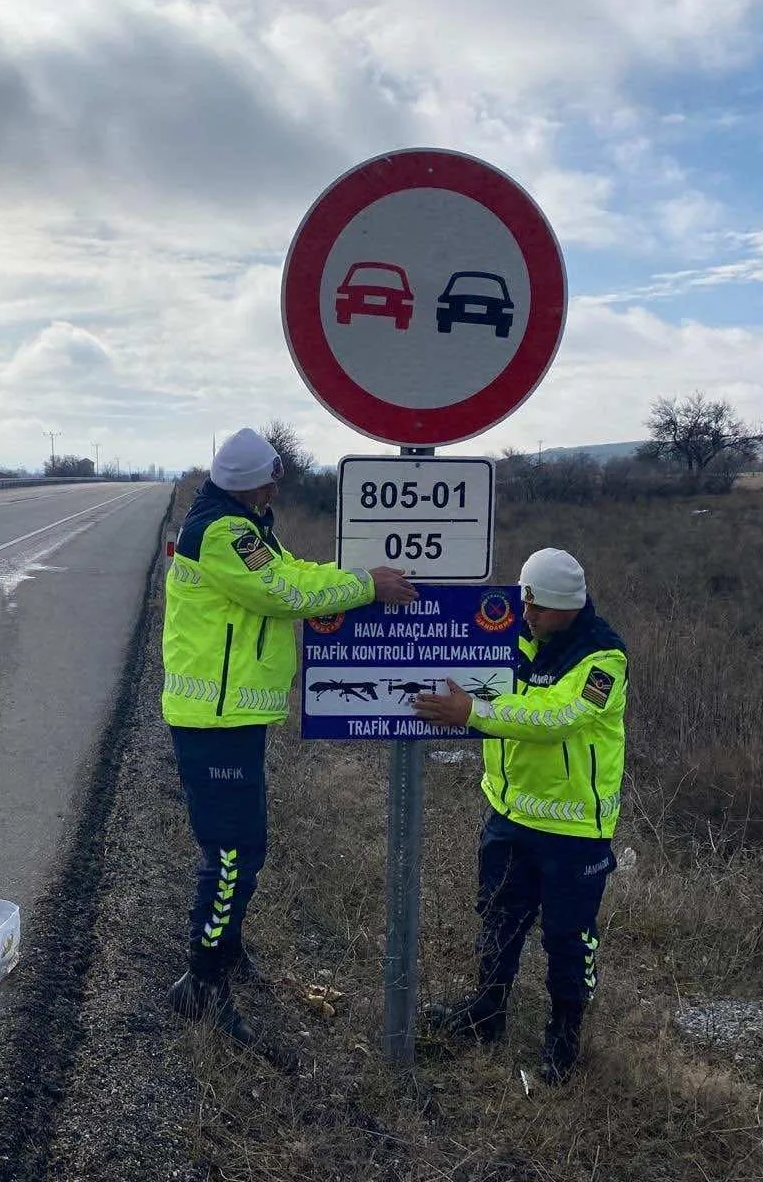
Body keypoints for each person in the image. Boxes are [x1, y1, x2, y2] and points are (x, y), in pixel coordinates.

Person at [162, 427, 417, 1052]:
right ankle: (201, 978)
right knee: (233, 854)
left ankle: (227, 948)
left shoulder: (243, 525)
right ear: (255, 481)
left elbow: (290, 570)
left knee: (243, 847)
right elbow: (284, 593)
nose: (277, 485)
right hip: (212, 722)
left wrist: (351, 573)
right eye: (272, 477)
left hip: (231, 719)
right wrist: (365, 587)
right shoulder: (221, 533)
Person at [412, 547, 627, 1085]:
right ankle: (486, 1014)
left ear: (569, 607)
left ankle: (564, 1037)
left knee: (567, 936)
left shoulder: (604, 660)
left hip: (573, 830)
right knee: (499, 918)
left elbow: (555, 717)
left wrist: (474, 714)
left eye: (539, 609)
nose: (527, 616)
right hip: (510, 816)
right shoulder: (518, 635)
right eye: (525, 604)